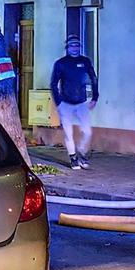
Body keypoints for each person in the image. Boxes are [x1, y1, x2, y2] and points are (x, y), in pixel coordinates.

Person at [49, 34, 99, 170]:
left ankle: (82, 152)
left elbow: (93, 78)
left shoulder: (85, 61)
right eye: (72, 45)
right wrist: (58, 102)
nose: (75, 48)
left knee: (87, 131)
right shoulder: (61, 63)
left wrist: (95, 97)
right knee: (68, 132)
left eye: (77, 45)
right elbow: (53, 83)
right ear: (67, 48)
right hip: (65, 103)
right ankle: (73, 158)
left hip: (81, 102)